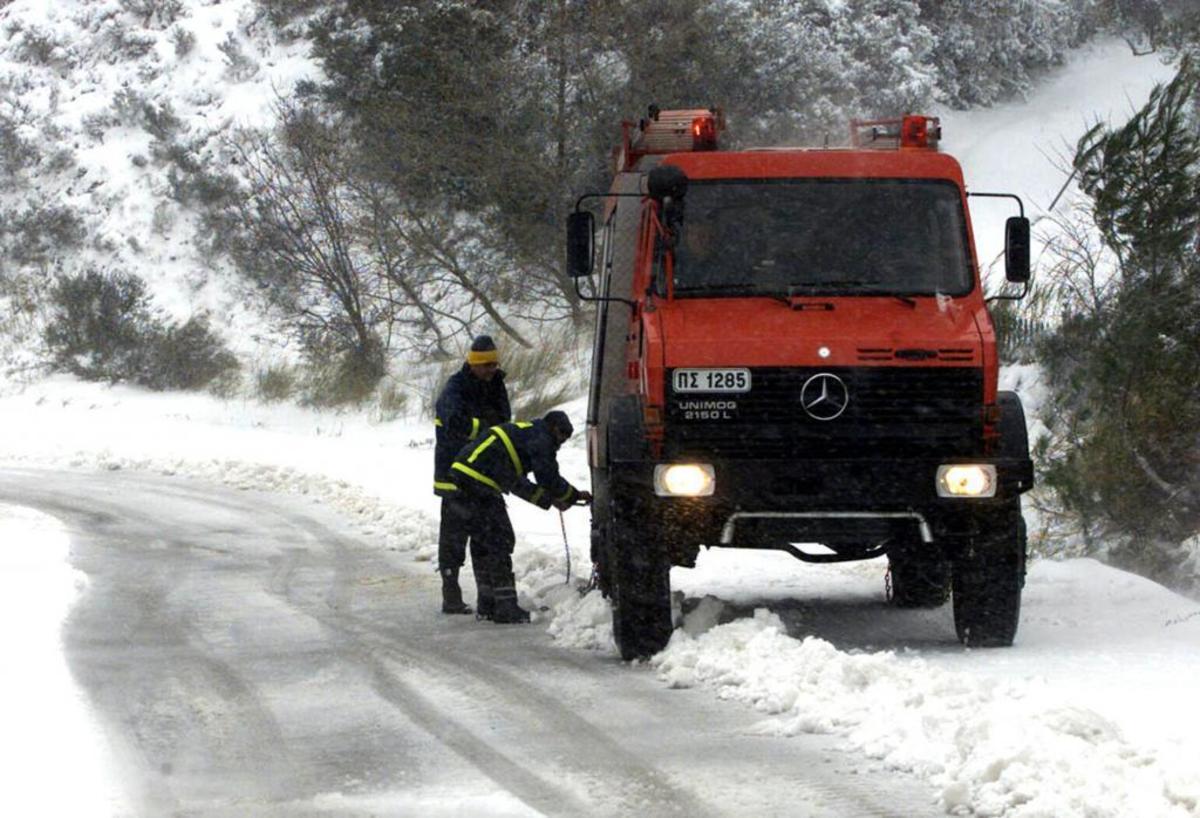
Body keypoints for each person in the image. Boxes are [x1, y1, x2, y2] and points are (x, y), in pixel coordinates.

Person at [448, 410, 592, 623]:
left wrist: (550, 500)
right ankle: (505, 607)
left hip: (465, 476)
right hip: (480, 480)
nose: (559, 445)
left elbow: (516, 482)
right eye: (561, 438)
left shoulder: (523, 434)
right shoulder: (541, 437)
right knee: (500, 539)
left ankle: (488, 604)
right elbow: (547, 476)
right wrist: (571, 495)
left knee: (483, 541)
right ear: (552, 428)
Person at [433, 335, 511, 616]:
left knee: (486, 536)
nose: (491, 370)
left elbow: (505, 420)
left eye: (494, 364)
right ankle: (451, 594)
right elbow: (454, 421)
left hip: (485, 476)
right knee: (453, 539)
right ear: (474, 364)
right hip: (454, 476)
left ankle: (488, 601)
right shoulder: (455, 388)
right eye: (486, 365)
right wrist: (486, 428)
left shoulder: (497, 385)